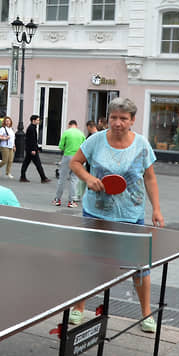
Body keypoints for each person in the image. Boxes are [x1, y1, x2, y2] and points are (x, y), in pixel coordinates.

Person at [70, 98, 164, 330]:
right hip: (96, 212)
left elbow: (149, 178)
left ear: (132, 120)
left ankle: (145, 314)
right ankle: (79, 307)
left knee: (139, 267)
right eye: (114, 117)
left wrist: (157, 209)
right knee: (89, 261)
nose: (118, 122)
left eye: (123, 118)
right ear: (108, 119)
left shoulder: (142, 145)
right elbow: (75, 163)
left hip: (131, 213)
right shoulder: (95, 141)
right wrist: (88, 178)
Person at [54, 120, 85, 208]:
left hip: (67, 156)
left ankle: (57, 199)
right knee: (74, 180)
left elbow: (61, 146)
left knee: (62, 178)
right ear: (76, 125)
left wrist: (66, 148)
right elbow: (85, 146)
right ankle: (71, 201)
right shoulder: (81, 134)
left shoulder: (66, 133)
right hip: (78, 158)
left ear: (69, 125)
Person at [20, 114, 51, 183]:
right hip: (31, 150)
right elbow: (31, 140)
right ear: (33, 120)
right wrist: (33, 150)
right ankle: (43, 178)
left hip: (30, 149)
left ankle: (22, 177)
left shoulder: (32, 127)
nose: (39, 121)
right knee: (38, 164)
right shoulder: (31, 128)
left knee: (26, 163)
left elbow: (33, 140)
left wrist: (36, 148)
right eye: (37, 120)